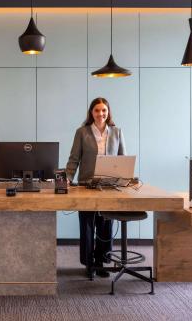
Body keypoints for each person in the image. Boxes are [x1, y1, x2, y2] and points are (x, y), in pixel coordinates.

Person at [65, 97, 126, 279]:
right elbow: (74, 158)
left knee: (105, 225)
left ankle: (101, 262)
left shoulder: (116, 132)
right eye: (97, 110)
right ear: (91, 113)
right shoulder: (82, 132)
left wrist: (125, 179)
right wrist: (68, 177)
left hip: (109, 187)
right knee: (87, 225)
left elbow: (123, 158)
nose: (101, 114)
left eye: (104, 110)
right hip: (86, 186)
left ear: (108, 112)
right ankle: (88, 263)